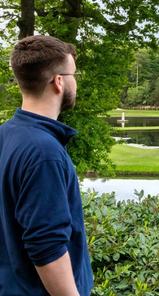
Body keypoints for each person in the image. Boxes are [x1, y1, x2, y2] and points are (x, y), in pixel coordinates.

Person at [0, 35, 93, 295]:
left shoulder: (6, 135)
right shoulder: (44, 152)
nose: (76, 82)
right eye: (74, 74)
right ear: (59, 81)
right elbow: (47, 247)